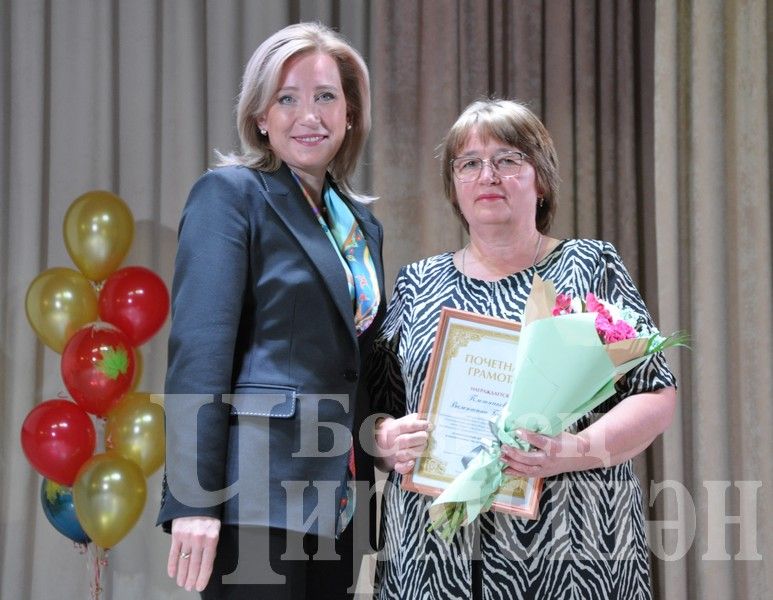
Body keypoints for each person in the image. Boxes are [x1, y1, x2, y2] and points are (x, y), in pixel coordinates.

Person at [369, 98, 677, 599]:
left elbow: (655, 393)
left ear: (541, 180)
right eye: (469, 163)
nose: (487, 174)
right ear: (454, 187)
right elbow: (378, 408)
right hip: (436, 552)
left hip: (572, 544)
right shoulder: (417, 283)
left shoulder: (588, 266)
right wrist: (386, 440)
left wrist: (572, 451)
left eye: (508, 159)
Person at [157, 22, 385, 599]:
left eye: (326, 96)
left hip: (339, 497)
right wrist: (193, 498)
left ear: (350, 113)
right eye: (287, 98)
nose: (309, 114)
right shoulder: (230, 195)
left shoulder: (361, 228)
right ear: (261, 115)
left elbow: (357, 362)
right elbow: (198, 354)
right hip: (252, 496)